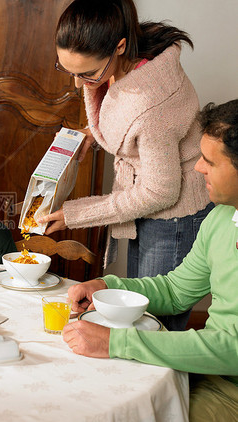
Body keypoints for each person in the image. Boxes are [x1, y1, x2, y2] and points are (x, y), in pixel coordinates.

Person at [37, 0, 213, 331]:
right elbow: (129, 129)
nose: (78, 84)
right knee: (138, 313)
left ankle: (165, 385)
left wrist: (76, 215)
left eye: (87, 73)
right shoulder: (128, 60)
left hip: (172, 216)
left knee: (155, 325)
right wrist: (93, 134)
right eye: (68, 70)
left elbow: (160, 190)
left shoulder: (150, 103)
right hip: (148, 205)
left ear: (119, 46)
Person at [62, 100, 238, 421]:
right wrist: (107, 286)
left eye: (210, 162)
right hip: (209, 373)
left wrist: (118, 342)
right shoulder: (221, 219)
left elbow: (233, 348)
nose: (198, 167)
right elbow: (175, 291)